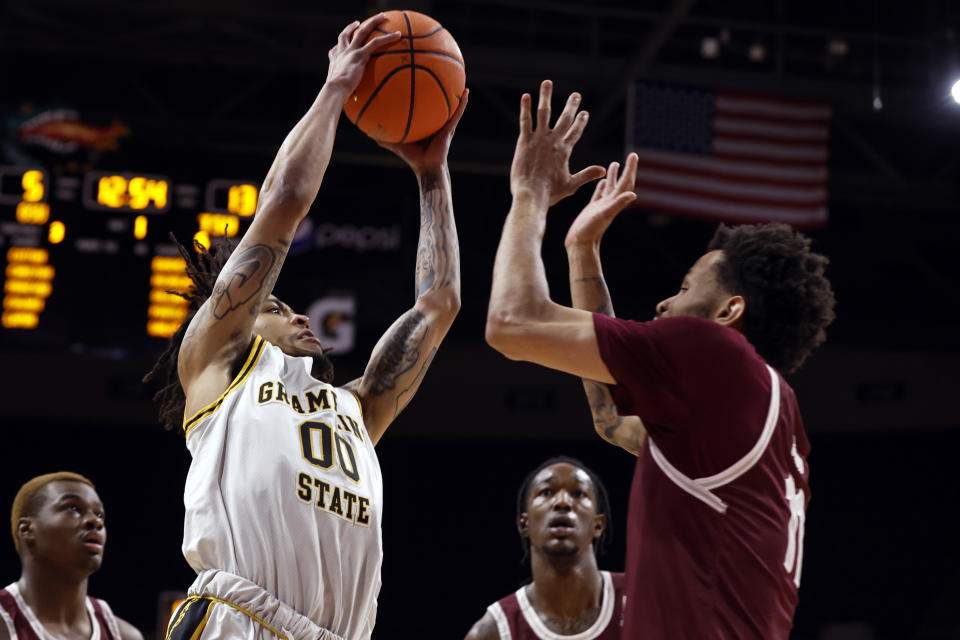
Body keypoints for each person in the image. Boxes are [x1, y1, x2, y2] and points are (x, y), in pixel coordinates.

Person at [142, 15, 466, 640]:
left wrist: (432, 174)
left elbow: (440, 304)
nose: (296, 312)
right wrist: (337, 88)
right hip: (240, 619)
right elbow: (285, 199)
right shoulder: (218, 367)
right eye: (274, 305)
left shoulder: (356, 411)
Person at [485, 80, 836, 639]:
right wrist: (582, 254)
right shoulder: (770, 410)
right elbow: (609, 420)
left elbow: (512, 323)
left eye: (685, 286)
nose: (664, 302)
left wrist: (527, 193)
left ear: (728, 311)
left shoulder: (714, 353)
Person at [464, 457, 626, 640]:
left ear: (598, 525)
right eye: (546, 492)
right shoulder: (494, 632)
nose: (563, 502)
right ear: (524, 524)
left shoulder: (638, 599)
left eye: (579, 493)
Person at [1, 472, 143, 640]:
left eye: (99, 515)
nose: (95, 522)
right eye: (73, 508)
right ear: (26, 529)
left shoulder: (125, 636)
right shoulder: (5, 624)